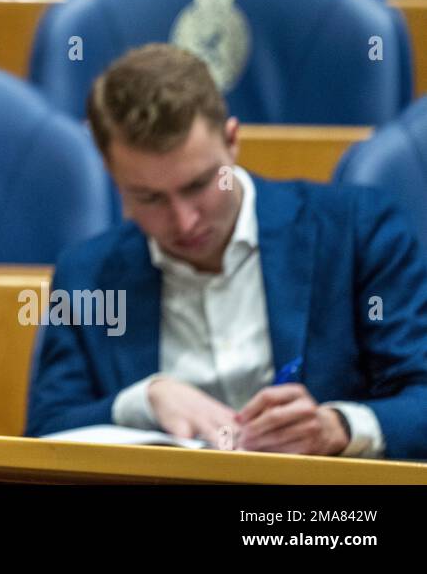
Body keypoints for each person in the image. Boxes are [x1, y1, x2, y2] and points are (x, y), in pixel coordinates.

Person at [25, 44, 427, 459]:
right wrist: (143, 400)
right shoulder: (87, 275)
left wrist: (339, 427)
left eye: (199, 185)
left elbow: (422, 397)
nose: (184, 222)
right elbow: (46, 430)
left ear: (232, 141)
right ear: (113, 176)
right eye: (148, 197)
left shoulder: (357, 232)